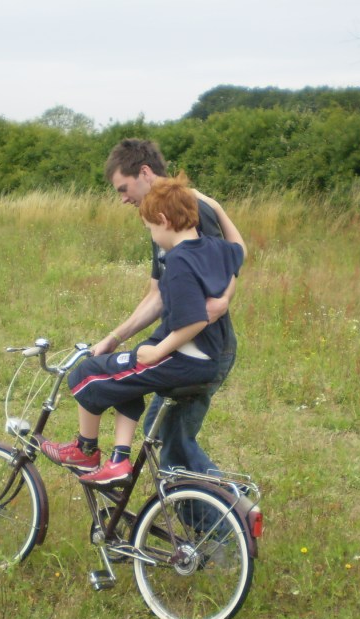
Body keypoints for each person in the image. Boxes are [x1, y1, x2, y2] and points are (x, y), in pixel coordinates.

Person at [39, 174, 246, 486]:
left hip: (184, 358)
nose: (152, 236)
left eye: (150, 228)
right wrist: (216, 206)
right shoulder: (214, 248)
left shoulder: (178, 262)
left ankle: (85, 450)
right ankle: (119, 460)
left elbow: (195, 320)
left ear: (162, 220)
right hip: (204, 356)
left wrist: (158, 351)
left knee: (85, 374)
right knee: (124, 376)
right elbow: (239, 247)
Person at [94, 138, 244, 478]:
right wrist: (115, 338)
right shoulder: (158, 218)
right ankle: (204, 503)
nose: (123, 199)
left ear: (145, 173)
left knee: (173, 441)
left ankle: (227, 506)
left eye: (123, 188)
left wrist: (223, 299)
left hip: (205, 348)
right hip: (184, 347)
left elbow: (229, 261)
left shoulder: (190, 207)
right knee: (162, 432)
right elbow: (157, 294)